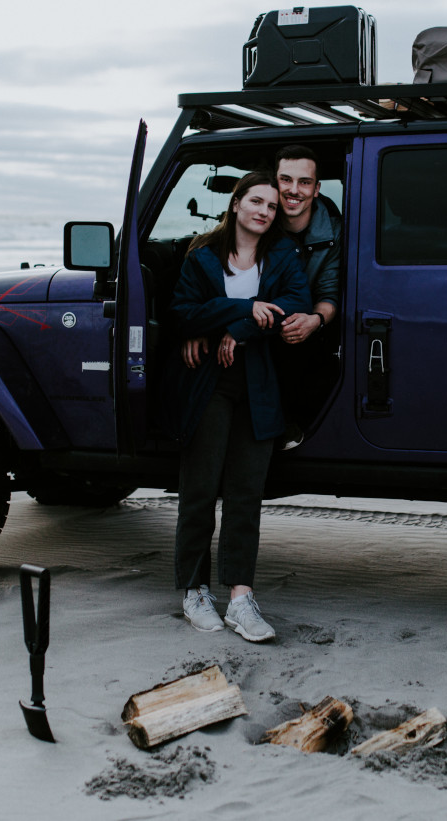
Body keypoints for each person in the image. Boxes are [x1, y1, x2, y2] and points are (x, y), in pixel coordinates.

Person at [167, 170, 311, 642]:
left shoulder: (283, 255)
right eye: (256, 202)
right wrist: (243, 309)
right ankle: (193, 591)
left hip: (259, 384)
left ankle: (241, 600)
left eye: (271, 207)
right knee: (200, 489)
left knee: (246, 496)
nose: (264, 211)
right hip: (209, 382)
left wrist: (238, 328)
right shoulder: (202, 256)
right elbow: (184, 313)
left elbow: (293, 303)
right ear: (235, 204)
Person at [272, 145, 343, 446]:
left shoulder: (335, 232)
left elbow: (329, 293)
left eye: (304, 182)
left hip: (305, 331)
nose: (293, 190)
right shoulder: (259, 219)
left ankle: (290, 428)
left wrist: (315, 320)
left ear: (316, 189)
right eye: (285, 180)